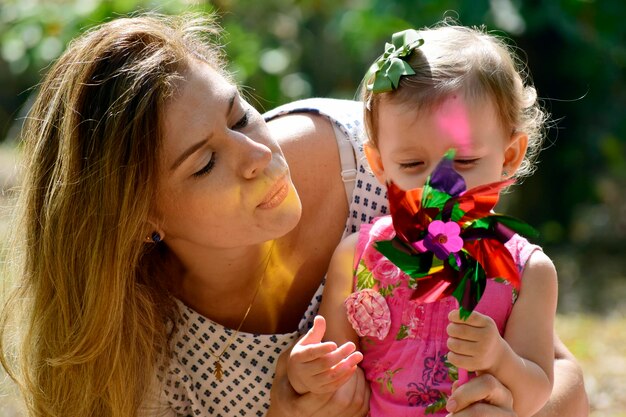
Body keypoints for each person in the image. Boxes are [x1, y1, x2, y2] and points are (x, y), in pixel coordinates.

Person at [0, 12, 588, 417]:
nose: (259, 156)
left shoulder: (390, 164)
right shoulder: (143, 357)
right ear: (140, 221)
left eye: (237, 117)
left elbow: (563, 381)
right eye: (205, 164)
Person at [287, 25, 567, 417]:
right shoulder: (357, 257)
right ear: (380, 164)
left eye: (465, 161)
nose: (441, 183)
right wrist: (309, 374)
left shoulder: (527, 272)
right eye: (412, 164)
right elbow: (336, 367)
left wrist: (499, 357)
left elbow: (537, 393)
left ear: (508, 156)